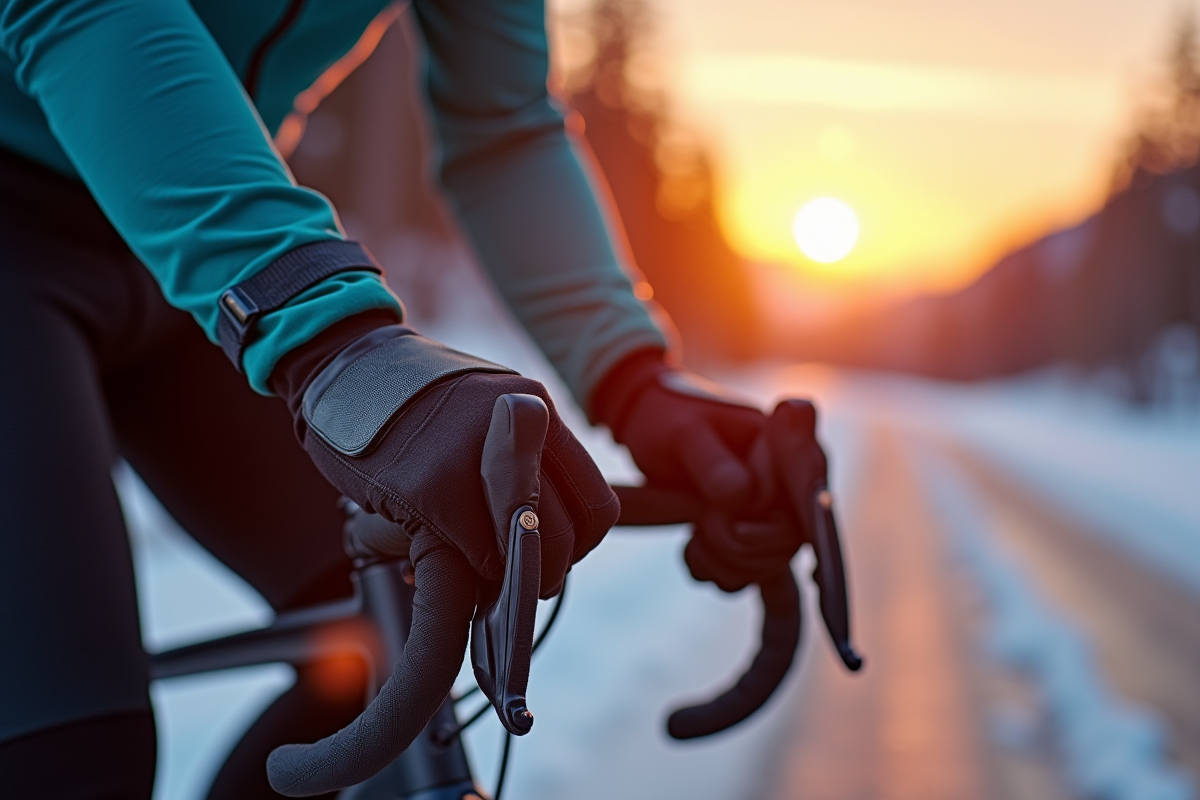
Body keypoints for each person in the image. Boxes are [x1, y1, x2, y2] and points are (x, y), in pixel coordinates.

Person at [0, 0, 826, 796]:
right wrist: (331, 342)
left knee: (393, 650)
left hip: (175, 246)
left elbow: (503, 128)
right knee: (74, 759)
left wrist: (637, 382)